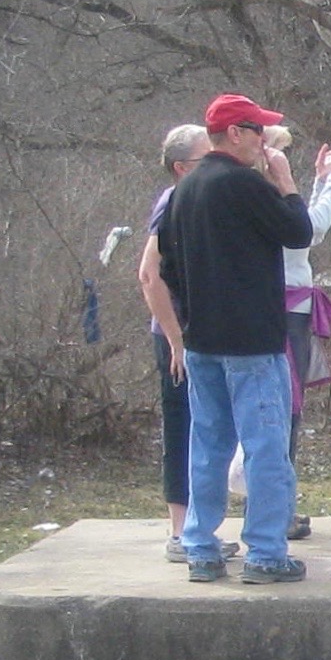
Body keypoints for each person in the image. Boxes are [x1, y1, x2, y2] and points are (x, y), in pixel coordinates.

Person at [160, 95, 314, 583]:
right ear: (234, 134)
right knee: (266, 449)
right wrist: (286, 184)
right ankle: (266, 553)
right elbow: (298, 231)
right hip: (252, 343)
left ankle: (200, 547)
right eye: (256, 130)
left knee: (207, 446)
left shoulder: (185, 190)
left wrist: (189, 320)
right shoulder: (244, 184)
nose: (263, 139)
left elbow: (167, 268)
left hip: (202, 340)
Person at [262, 123, 331, 539]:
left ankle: (276, 507)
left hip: (277, 307)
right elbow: (310, 230)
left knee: (278, 409)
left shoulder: (252, 197)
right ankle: (278, 510)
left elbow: (302, 227)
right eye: (280, 155)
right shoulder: (268, 198)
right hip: (285, 311)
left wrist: (316, 182)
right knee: (285, 409)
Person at [133, 123, 210, 561]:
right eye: (206, 158)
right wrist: (176, 341)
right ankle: (180, 531)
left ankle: (199, 527)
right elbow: (149, 274)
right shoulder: (173, 202)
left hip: (202, 335)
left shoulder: (200, 201)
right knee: (182, 426)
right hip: (176, 337)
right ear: (182, 168)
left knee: (206, 430)